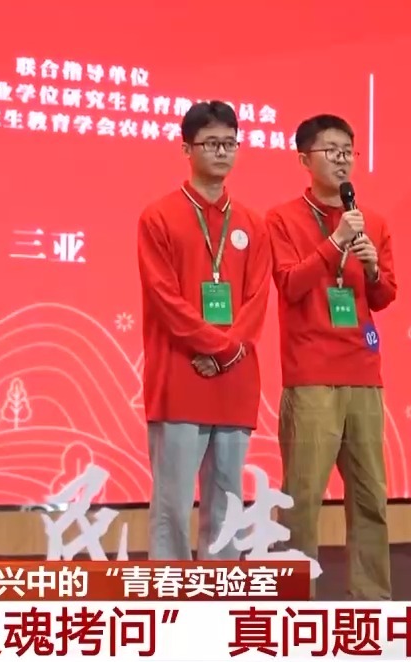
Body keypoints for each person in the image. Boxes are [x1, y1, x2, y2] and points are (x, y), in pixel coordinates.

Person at [265, 114, 397, 599]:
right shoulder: (281, 219)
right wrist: (334, 242)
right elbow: (289, 284)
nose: (342, 160)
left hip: (364, 372)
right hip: (312, 375)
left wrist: (373, 268)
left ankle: (372, 603)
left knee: (370, 498)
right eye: (331, 151)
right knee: (301, 500)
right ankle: (293, 606)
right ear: (305, 159)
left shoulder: (372, 221)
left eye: (348, 151)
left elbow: (384, 296)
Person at [136, 100, 272, 560]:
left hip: (234, 382)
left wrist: (227, 353)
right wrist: (219, 347)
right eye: (211, 143)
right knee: (171, 508)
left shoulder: (252, 223)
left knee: (226, 507)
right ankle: (168, 597)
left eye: (229, 143)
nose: (222, 152)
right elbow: (164, 298)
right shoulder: (158, 217)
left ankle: (218, 596)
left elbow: (257, 299)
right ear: (186, 149)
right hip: (180, 377)